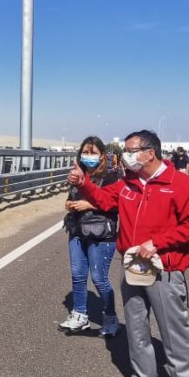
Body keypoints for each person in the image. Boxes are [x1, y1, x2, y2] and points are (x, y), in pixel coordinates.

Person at [68, 129, 189, 377]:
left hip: (164, 269)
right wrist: (84, 184)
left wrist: (157, 243)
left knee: (174, 335)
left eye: (132, 150)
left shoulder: (180, 184)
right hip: (132, 266)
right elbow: (105, 200)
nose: (127, 155)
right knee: (136, 326)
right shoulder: (128, 184)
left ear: (150, 153)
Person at [59, 137, 120, 337]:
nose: (89, 156)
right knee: (77, 275)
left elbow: (116, 204)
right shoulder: (78, 174)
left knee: (99, 278)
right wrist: (70, 204)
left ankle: (110, 317)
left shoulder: (112, 176)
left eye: (93, 152)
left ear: (102, 155)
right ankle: (80, 315)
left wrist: (89, 205)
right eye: (85, 152)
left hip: (102, 233)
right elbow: (72, 197)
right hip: (77, 230)